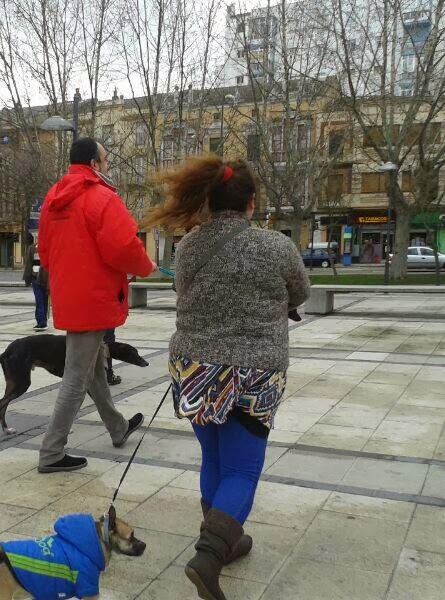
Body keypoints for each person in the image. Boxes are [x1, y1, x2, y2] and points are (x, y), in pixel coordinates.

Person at [143, 156, 310, 600]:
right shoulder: (276, 247)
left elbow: (182, 290)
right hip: (254, 374)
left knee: (214, 458)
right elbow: (300, 292)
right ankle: (209, 555)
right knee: (242, 469)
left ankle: (225, 541)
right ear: (251, 202)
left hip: (194, 370)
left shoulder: (189, 247)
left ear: (208, 201)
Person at [37, 137, 156, 473]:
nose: (107, 165)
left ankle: (117, 427)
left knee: (93, 368)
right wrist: (145, 266)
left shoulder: (53, 198)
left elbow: (45, 251)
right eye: (105, 159)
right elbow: (123, 246)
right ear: (94, 164)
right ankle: (51, 452)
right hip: (94, 298)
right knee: (77, 375)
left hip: (69, 296)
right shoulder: (101, 197)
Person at [23, 234, 49, 331]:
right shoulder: (46, 247)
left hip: (39, 278)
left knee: (40, 300)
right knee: (43, 300)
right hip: (43, 278)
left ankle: (41, 322)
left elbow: (28, 264)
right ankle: (42, 321)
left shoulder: (33, 248)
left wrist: (27, 279)